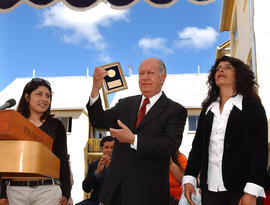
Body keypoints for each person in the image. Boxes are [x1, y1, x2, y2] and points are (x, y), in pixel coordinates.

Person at [86, 57, 187, 205]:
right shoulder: (125, 104)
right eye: (141, 74)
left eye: (150, 73)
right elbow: (98, 121)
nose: (144, 78)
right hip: (115, 192)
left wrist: (134, 139)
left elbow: (169, 145)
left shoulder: (175, 110)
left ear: (163, 77)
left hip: (148, 193)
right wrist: (96, 87)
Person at [183, 56, 268, 205]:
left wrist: (251, 192)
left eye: (228, 67)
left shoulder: (252, 107)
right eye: (218, 69)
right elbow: (197, 148)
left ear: (239, 75)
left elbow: (259, 151)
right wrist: (189, 178)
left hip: (242, 191)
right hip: (210, 191)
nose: (221, 70)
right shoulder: (208, 110)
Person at [0, 78, 71, 205]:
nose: (44, 99)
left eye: (48, 96)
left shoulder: (56, 125)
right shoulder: (12, 122)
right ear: (27, 97)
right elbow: (3, 159)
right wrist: (2, 194)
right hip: (15, 192)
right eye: (39, 94)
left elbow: (62, 159)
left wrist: (66, 192)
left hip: (48, 191)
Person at [75, 136, 115, 205]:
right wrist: (97, 172)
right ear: (101, 149)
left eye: (112, 148)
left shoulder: (121, 166)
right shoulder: (94, 165)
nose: (109, 150)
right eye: (106, 147)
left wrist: (111, 170)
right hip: (96, 201)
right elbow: (86, 188)